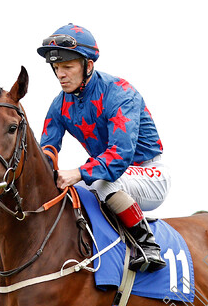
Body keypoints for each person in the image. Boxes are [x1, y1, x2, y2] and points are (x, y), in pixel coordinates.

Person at [37, 23, 169, 272]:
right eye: (56, 68)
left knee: (99, 181)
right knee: (63, 189)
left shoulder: (119, 92)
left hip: (149, 174)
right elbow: (48, 149)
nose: (60, 75)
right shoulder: (59, 105)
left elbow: (120, 157)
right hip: (110, 175)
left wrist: (77, 173)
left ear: (88, 65)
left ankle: (147, 245)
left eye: (67, 67)